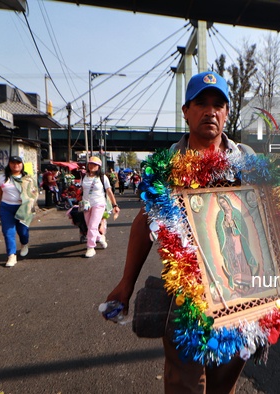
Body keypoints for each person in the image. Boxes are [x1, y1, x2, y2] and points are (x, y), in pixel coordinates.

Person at [106, 71, 254, 393]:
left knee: (223, 381)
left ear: (227, 112)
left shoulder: (245, 160)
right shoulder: (165, 165)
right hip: (186, 294)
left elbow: (265, 224)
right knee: (184, 383)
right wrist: (125, 284)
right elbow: (145, 223)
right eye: (201, 103)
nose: (210, 111)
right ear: (186, 111)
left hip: (238, 290)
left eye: (218, 104)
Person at [0, 156, 39, 267]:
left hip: (23, 209)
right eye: (13, 163)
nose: (16, 165)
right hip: (6, 208)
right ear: (9, 164)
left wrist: (30, 202)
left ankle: (24, 243)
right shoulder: (3, 178)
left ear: (22, 165)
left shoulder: (27, 178)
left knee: (23, 232)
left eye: (18, 163)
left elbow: (34, 193)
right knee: (8, 233)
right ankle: (11, 256)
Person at [81, 156, 120, 258]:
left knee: (93, 226)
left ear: (99, 167)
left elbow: (109, 192)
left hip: (99, 204)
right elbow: (82, 190)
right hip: (86, 205)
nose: (92, 166)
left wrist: (114, 204)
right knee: (89, 226)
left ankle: (90, 247)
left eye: (95, 165)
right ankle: (100, 237)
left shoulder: (103, 178)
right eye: (90, 164)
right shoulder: (83, 176)